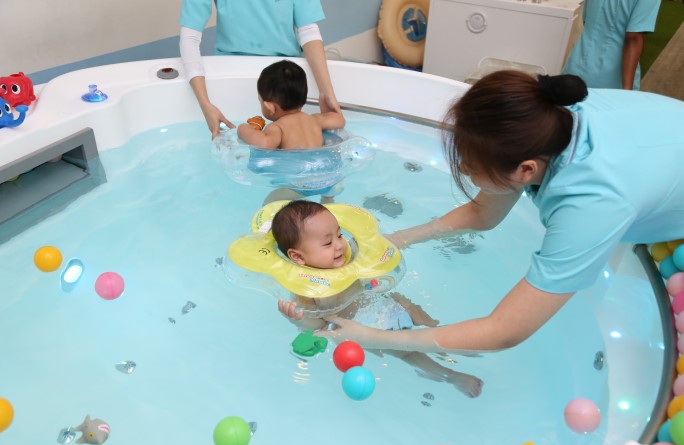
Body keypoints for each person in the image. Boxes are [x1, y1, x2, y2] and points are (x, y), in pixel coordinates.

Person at [294, 70, 684, 355]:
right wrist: (399, 239)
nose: (463, 170)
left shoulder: (591, 205)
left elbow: (504, 331)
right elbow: (485, 213)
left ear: (526, 170)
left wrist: (374, 337)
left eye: (469, 164)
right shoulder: (546, 118)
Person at [273, 200, 483, 397]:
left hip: (384, 302)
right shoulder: (305, 288)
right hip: (365, 326)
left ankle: (445, 341)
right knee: (409, 354)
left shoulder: (348, 257)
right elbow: (318, 324)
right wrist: (297, 318)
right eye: (328, 243)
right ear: (298, 257)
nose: (339, 245)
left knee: (421, 317)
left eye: (339, 235)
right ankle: (451, 376)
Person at [179, 0, 342, 138]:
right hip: (230, 67)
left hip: (285, 72)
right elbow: (190, 37)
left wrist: (326, 91)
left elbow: (308, 31)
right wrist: (205, 104)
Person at [237, 60, 345, 150]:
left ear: (270, 107)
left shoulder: (277, 128)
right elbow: (339, 120)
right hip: (322, 164)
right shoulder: (315, 120)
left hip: (295, 170)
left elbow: (264, 143)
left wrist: (243, 129)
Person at [562, 0, 660, 90]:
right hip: (612, 81)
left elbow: (586, 21)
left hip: (575, 67)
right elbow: (633, 38)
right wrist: (627, 92)